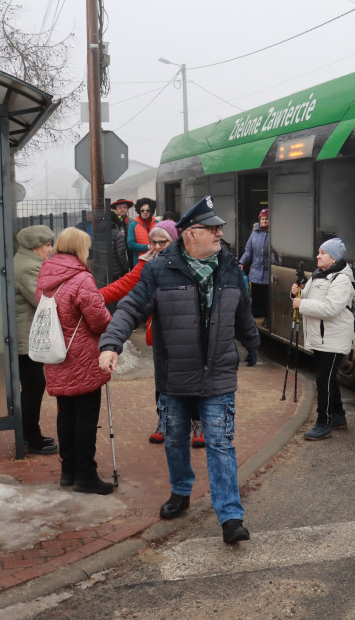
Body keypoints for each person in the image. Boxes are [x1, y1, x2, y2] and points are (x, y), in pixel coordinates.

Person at [98, 195, 260, 545]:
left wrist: (252, 343)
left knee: (220, 444)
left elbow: (242, 311)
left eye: (219, 228)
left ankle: (231, 516)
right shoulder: (159, 270)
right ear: (189, 234)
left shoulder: (229, 267)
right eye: (212, 228)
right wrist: (111, 344)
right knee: (174, 439)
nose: (219, 233)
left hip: (218, 377)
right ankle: (181, 491)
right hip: (174, 377)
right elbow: (129, 309)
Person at [35, 227, 144, 495]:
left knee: (66, 413)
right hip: (82, 357)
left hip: (57, 355)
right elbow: (99, 320)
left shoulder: (46, 275)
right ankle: (86, 475)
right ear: (78, 248)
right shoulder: (81, 279)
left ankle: (68, 471)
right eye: (86, 247)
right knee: (85, 416)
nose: (89, 251)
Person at [142, 222, 205, 448]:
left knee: (193, 380)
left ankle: (198, 423)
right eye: (154, 242)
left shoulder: (190, 264)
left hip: (190, 333)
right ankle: (164, 421)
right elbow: (134, 297)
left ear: (175, 241)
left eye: (163, 242)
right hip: (163, 335)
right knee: (163, 380)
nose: (158, 247)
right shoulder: (147, 265)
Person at [291, 237, 355, 441]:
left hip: (334, 338)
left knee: (323, 379)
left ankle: (323, 423)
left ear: (334, 258)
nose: (318, 256)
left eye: (323, 253)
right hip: (321, 337)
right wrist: (296, 294)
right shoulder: (319, 275)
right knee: (329, 379)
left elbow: (330, 309)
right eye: (319, 252)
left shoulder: (341, 280)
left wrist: (301, 303)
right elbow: (304, 300)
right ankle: (338, 417)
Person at [13, 225, 58, 455]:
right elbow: (41, 300)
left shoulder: (23, 261)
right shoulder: (29, 268)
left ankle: (27, 433)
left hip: (24, 335)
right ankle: (31, 437)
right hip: (24, 338)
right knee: (34, 386)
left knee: (31, 386)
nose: (50, 249)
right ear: (35, 246)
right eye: (47, 245)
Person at [240, 208, 271, 321]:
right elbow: (248, 252)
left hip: (269, 275)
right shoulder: (254, 233)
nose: (263, 221)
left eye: (266, 219)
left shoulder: (274, 233)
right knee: (257, 301)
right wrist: (242, 262)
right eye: (262, 219)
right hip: (256, 274)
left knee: (267, 301)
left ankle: (268, 319)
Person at [127, 197, 157, 266]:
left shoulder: (158, 224)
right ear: (139, 211)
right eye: (142, 210)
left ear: (151, 211)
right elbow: (131, 244)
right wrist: (148, 247)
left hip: (156, 261)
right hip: (140, 263)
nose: (145, 212)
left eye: (148, 210)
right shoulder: (133, 225)